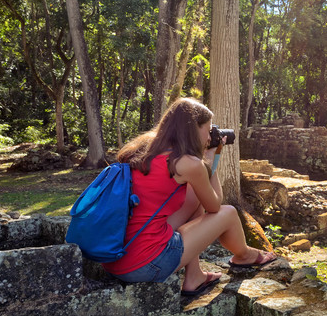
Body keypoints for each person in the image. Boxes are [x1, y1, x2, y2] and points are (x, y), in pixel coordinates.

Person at [102, 97, 277, 296]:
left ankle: (194, 276)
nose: (209, 136)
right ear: (193, 129)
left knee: (193, 197)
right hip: (146, 265)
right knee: (228, 212)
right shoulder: (188, 163)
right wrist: (210, 160)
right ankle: (245, 255)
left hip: (115, 258)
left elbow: (194, 199)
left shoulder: (142, 149)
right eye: (208, 129)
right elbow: (215, 206)